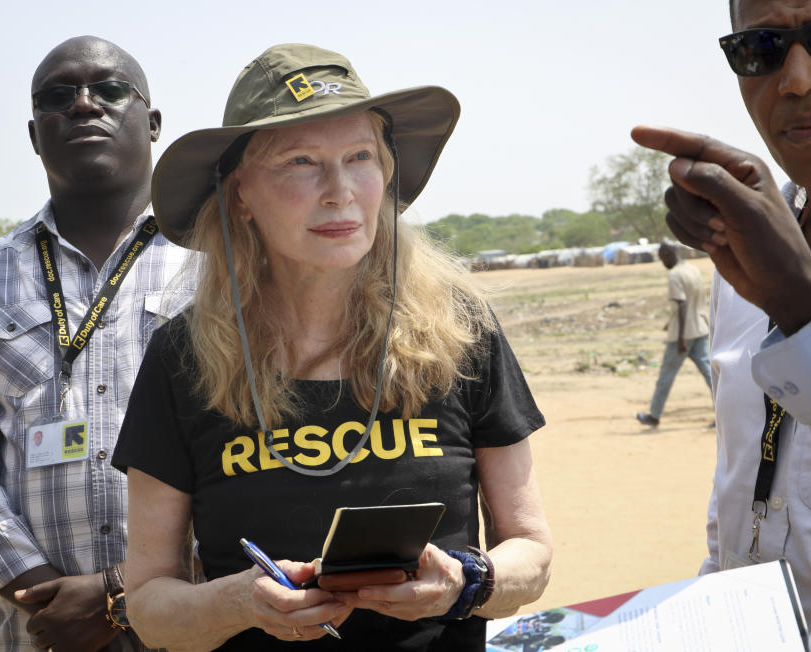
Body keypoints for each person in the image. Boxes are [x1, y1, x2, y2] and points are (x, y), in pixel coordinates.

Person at [111, 43, 553, 651]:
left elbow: (532, 555)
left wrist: (463, 581)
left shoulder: (460, 332)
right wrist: (241, 602)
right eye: (300, 161)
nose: (339, 190)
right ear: (240, 194)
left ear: (387, 172)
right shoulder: (182, 358)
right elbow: (152, 607)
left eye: (359, 157)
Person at [0, 36, 194, 651]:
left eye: (110, 90)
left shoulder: (219, 268)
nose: (83, 105)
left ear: (152, 123)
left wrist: (121, 594)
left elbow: (255, 460)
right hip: (41, 630)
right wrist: (39, 588)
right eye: (57, 97)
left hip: (199, 624)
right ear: (35, 133)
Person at [631, 0, 811, 643]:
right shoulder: (746, 250)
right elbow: (740, 484)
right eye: (761, 49)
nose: (796, 81)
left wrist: (803, 304)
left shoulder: (772, 268)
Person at [635, 242, 712, 428]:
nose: (663, 263)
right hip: (701, 327)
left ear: (669, 254)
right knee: (711, 374)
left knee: (666, 376)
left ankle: (654, 415)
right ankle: (727, 411)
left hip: (682, 334)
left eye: (662, 259)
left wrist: (680, 338)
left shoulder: (675, 275)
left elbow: (682, 304)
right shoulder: (694, 269)